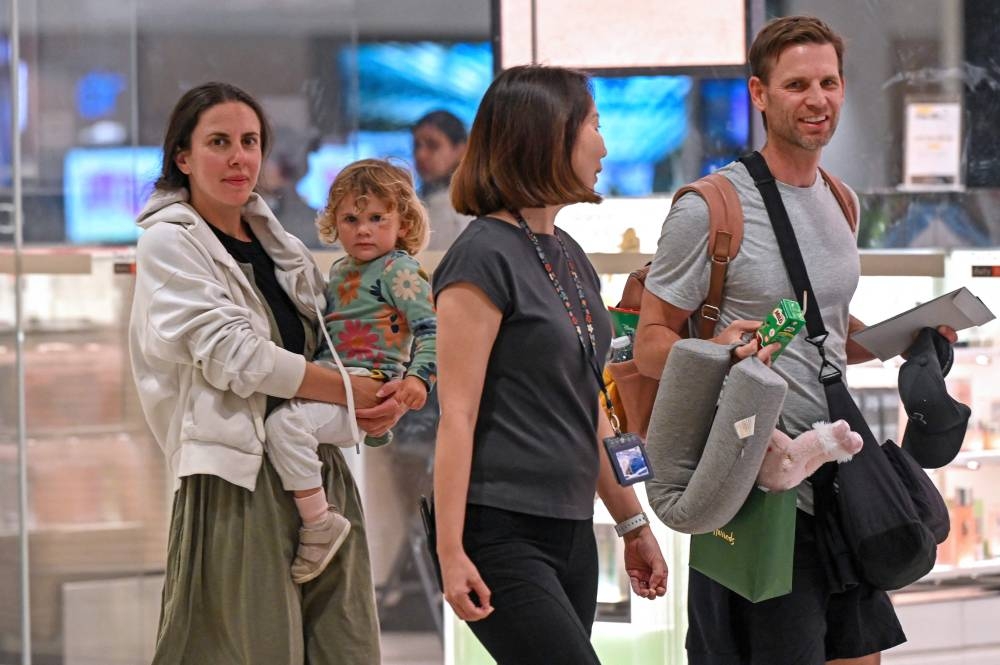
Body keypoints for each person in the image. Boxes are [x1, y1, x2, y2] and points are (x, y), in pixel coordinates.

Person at [634, 16, 956, 665]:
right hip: (755, 499)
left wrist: (909, 335)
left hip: (844, 491)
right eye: (797, 84)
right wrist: (723, 350)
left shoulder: (839, 201)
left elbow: (830, 339)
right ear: (760, 94)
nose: (817, 99)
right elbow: (649, 344)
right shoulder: (711, 206)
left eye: (829, 82)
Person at [128, 81, 403, 664]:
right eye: (219, 141)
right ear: (183, 157)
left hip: (317, 475)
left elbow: (334, 342)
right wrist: (349, 390)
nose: (238, 157)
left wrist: (390, 390)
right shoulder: (166, 244)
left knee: (345, 648)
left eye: (249, 141)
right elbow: (236, 357)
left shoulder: (282, 244)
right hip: (237, 483)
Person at [432, 64, 668, 665]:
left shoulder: (569, 256)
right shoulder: (481, 255)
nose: (604, 145)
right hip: (500, 531)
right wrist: (450, 550)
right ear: (547, 136)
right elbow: (455, 415)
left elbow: (589, 405)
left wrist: (632, 524)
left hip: (571, 528)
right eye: (593, 124)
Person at [265, 158, 437, 584]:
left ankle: (319, 522)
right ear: (334, 223)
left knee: (284, 427)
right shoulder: (341, 269)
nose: (363, 229)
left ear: (403, 222)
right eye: (351, 218)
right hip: (335, 381)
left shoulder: (400, 270)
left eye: (378, 218)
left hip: (369, 384)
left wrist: (418, 379)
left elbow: (434, 329)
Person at [411, 109, 472, 251]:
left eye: (432, 145)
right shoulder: (412, 203)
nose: (421, 155)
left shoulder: (471, 209)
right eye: (416, 146)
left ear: (461, 150)